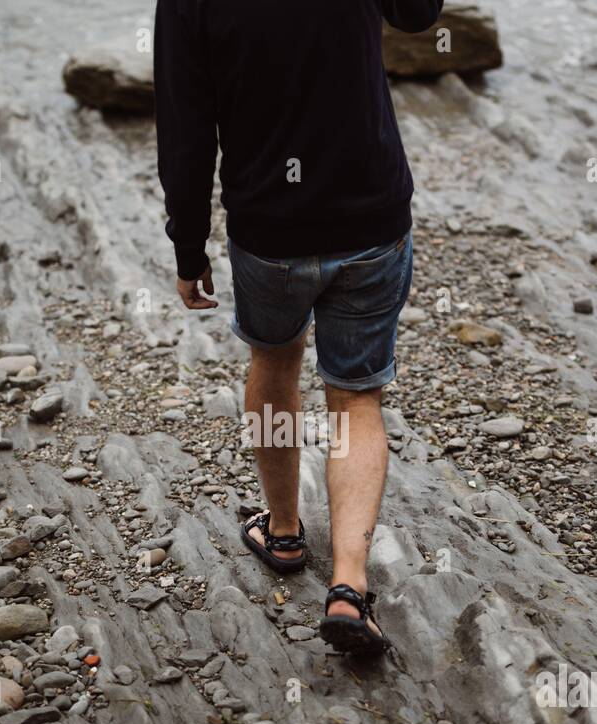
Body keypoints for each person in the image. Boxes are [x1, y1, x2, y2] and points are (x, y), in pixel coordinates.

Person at [154, 0, 444, 654]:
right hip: (369, 216)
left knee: (276, 362)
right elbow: (420, 16)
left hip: (270, 230)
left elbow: (185, 126)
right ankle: (348, 586)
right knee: (356, 398)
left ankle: (284, 531)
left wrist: (189, 246)